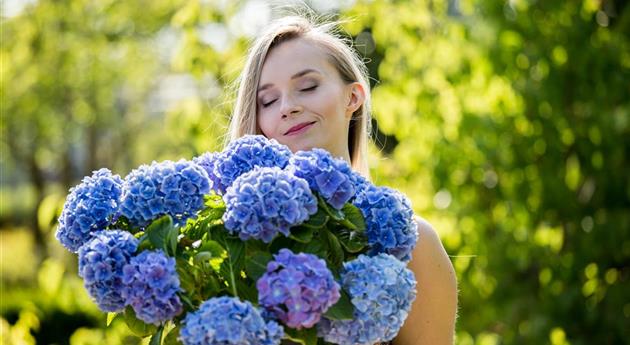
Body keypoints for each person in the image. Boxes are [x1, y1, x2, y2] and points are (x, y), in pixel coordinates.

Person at [226, 14, 458, 345]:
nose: (287, 107)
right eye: (268, 100)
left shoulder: (413, 245)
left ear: (353, 97)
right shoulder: (230, 246)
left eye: (307, 86)